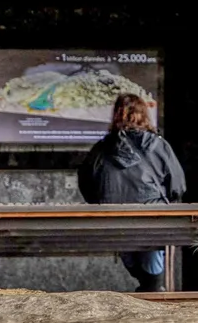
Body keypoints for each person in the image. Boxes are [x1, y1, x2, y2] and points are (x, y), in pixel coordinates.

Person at [78, 93, 187, 292]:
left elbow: (86, 182)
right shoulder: (158, 145)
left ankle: (148, 285)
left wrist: (102, 203)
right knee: (153, 243)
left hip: (114, 219)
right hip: (154, 217)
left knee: (129, 244)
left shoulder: (101, 149)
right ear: (145, 114)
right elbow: (178, 185)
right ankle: (152, 286)